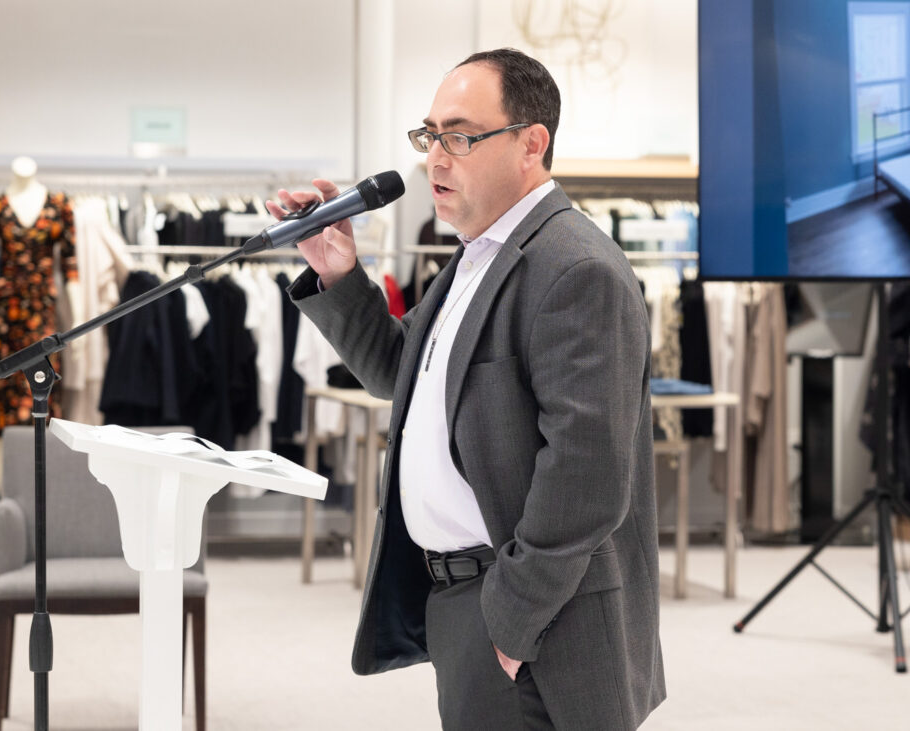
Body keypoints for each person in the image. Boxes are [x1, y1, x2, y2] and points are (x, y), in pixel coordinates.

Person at [271, 48, 665, 730]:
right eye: (429, 136)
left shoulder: (575, 268)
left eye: (459, 137)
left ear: (531, 144)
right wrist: (338, 273)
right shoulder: (476, 257)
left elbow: (588, 473)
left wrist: (512, 621)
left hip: (537, 625)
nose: (435, 158)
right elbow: (402, 374)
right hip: (467, 602)